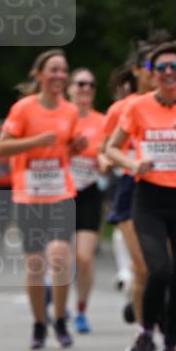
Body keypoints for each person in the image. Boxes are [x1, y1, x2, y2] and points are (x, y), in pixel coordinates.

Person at [108, 39, 176, 351]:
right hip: (149, 200)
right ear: (152, 74)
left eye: (174, 67)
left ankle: (170, 344)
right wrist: (132, 164)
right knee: (159, 270)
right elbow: (111, 148)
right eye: (161, 67)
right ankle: (144, 332)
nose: (168, 72)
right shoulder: (136, 107)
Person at [0, 49, 85, 350]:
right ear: (39, 75)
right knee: (35, 264)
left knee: (59, 256)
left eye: (63, 70)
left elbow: (65, 149)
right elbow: (1, 148)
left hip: (60, 193)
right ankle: (38, 323)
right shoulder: (23, 109)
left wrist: (76, 146)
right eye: (54, 70)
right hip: (29, 195)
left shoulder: (70, 111)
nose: (60, 75)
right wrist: (34, 141)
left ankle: (59, 318)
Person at [101, 49, 153, 327]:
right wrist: (110, 161)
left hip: (169, 188)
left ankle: (157, 315)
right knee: (142, 266)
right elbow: (104, 150)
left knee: (163, 266)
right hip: (130, 186)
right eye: (152, 65)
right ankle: (145, 332)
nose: (159, 72)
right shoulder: (121, 108)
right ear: (137, 70)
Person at [67, 67, 107, 333]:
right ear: (70, 88)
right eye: (80, 84)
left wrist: (104, 162)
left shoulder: (101, 121)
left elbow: (106, 153)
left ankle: (80, 310)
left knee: (84, 258)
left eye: (91, 85)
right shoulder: (60, 117)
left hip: (89, 191)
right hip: (59, 192)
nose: (86, 89)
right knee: (62, 256)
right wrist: (70, 149)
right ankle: (54, 296)